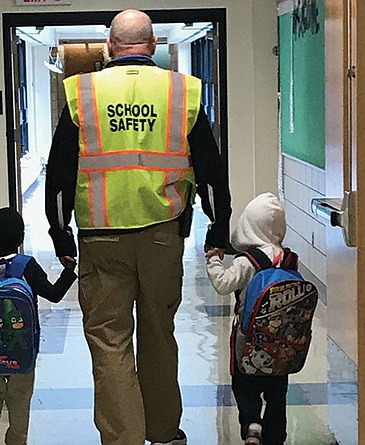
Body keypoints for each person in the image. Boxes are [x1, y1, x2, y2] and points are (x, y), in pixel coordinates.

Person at [45, 8, 231, 445]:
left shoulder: (83, 92)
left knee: (110, 342)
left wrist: (59, 233)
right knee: (159, 334)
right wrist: (218, 227)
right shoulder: (180, 92)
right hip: (162, 235)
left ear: (110, 47)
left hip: (100, 237)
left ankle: (123, 438)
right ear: (153, 46)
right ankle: (165, 432)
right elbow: (210, 169)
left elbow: (59, 175)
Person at [0, 207, 77, 445]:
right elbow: (53, 294)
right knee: (20, 397)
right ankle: (17, 440)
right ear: (21, 238)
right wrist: (68, 271)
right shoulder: (27, 266)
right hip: (22, 349)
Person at [205, 193, 294, 445]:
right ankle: (276, 436)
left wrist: (213, 261)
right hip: (281, 344)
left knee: (245, 385)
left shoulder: (248, 261)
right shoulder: (288, 259)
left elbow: (223, 284)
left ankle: (252, 424)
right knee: (277, 393)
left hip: (250, 339)